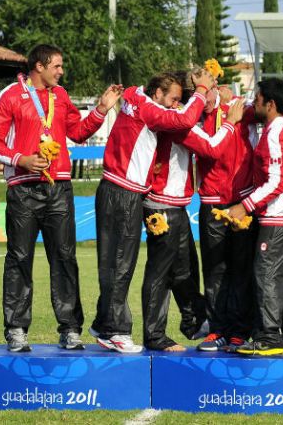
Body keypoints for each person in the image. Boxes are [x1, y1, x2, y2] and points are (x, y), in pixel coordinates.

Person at [0, 44, 123, 352]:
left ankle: (70, 328)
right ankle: (17, 329)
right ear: (39, 66)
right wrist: (21, 159)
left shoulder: (60, 96)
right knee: (19, 259)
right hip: (23, 188)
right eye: (57, 66)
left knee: (64, 258)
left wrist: (101, 109)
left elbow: (78, 131)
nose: (61, 71)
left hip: (58, 187)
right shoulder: (9, 95)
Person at [89, 69, 214, 353]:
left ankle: (104, 323)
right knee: (121, 265)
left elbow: (169, 111)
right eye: (172, 98)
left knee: (123, 264)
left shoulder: (137, 98)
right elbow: (187, 123)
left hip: (126, 191)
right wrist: (202, 91)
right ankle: (116, 330)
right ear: (157, 93)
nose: (175, 104)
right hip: (125, 191)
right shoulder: (149, 108)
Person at [140, 82, 244, 352]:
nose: (175, 105)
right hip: (161, 204)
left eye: (178, 101)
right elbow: (212, 149)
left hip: (176, 204)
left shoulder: (186, 120)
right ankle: (154, 335)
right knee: (161, 272)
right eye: (174, 100)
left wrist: (231, 101)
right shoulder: (178, 123)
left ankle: (196, 322)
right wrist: (231, 122)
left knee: (185, 269)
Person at [221, 79, 283, 356]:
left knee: (266, 275)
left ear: (270, 104)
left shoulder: (273, 133)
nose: (253, 103)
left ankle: (269, 337)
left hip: (279, 217)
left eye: (257, 99)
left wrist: (244, 206)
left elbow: (275, 183)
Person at [194, 85, 258, 353]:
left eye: (205, 94)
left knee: (242, 269)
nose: (201, 101)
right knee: (214, 270)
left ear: (216, 90)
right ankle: (217, 328)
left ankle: (240, 331)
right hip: (211, 201)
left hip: (241, 201)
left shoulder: (238, 106)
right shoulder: (193, 117)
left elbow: (266, 113)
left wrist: (240, 104)